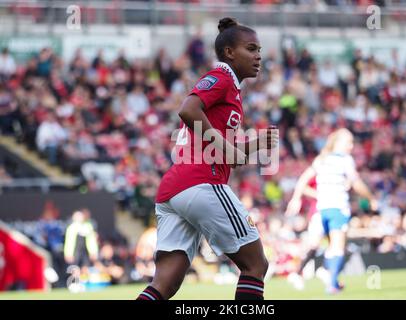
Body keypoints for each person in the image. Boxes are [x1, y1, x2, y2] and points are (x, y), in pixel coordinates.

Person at [137, 17, 278, 300]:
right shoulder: (222, 77)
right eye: (251, 48)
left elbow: (228, 154)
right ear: (229, 53)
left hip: (175, 189)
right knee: (255, 264)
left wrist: (253, 145)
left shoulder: (232, 89)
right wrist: (227, 149)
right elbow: (188, 109)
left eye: (259, 49)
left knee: (166, 282)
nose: (258, 55)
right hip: (200, 181)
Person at [286, 128, 377, 294]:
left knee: (322, 245)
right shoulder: (345, 160)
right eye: (348, 142)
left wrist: (296, 198)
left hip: (321, 209)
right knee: (337, 247)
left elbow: (303, 179)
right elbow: (356, 183)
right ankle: (332, 283)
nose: (351, 146)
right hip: (337, 208)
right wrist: (371, 198)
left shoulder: (321, 159)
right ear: (339, 143)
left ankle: (322, 275)